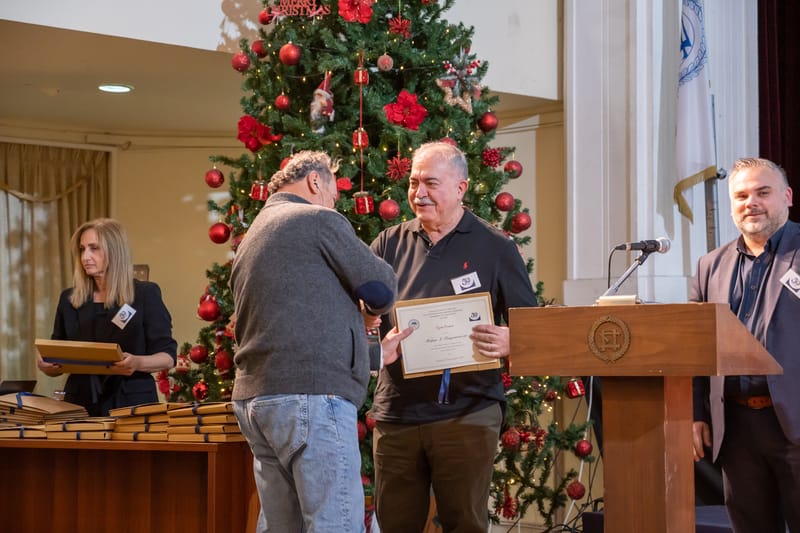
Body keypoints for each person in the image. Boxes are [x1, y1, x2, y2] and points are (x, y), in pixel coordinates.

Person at [230, 150, 409, 533]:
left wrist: (373, 354)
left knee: (283, 527)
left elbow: (292, 328)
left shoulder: (254, 236)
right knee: (335, 524)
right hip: (311, 400)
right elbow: (380, 288)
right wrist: (369, 308)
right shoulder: (315, 218)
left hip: (255, 400)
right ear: (315, 181)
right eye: (333, 192)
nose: (334, 202)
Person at [369, 141, 539, 532]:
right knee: (394, 524)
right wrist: (377, 344)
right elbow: (358, 316)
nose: (418, 193)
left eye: (430, 182)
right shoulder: (387, 244)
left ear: (461, 187)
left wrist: (512, 340)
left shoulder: (496, 246)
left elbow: (530, 325)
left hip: (468, 413)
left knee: (465, 523)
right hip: (398, 414)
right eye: (413, 183)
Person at [691, 157, 800, 532]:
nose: (750, 202)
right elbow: (695, 345)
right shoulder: (710, 265)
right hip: (735, 430)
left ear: (786, 197)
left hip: (795, 425)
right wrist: (697, 413)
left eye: (762, 192)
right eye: (740, 195)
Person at [36, 218, 177, 416]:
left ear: (115, 251)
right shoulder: (69, 299)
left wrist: (136, 362)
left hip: (131, 401)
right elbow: (57, 358)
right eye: (82, 249)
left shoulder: (145, 294)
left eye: (94, 248)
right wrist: (47, 365)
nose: (86, 256)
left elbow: (167, 357)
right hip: (79, 403)